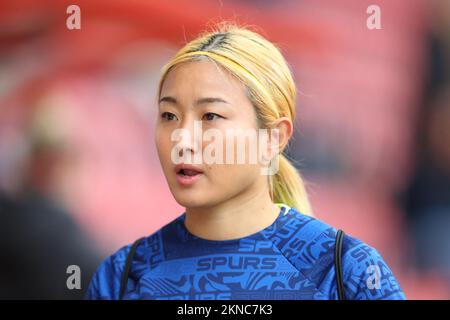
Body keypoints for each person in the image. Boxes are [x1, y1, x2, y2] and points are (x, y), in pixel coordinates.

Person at [85, 23, 405, 300]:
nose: (182, 138)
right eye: (169, 115)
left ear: (273, 138)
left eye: (210, 116)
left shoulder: (345, 271)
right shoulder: (123, 276)